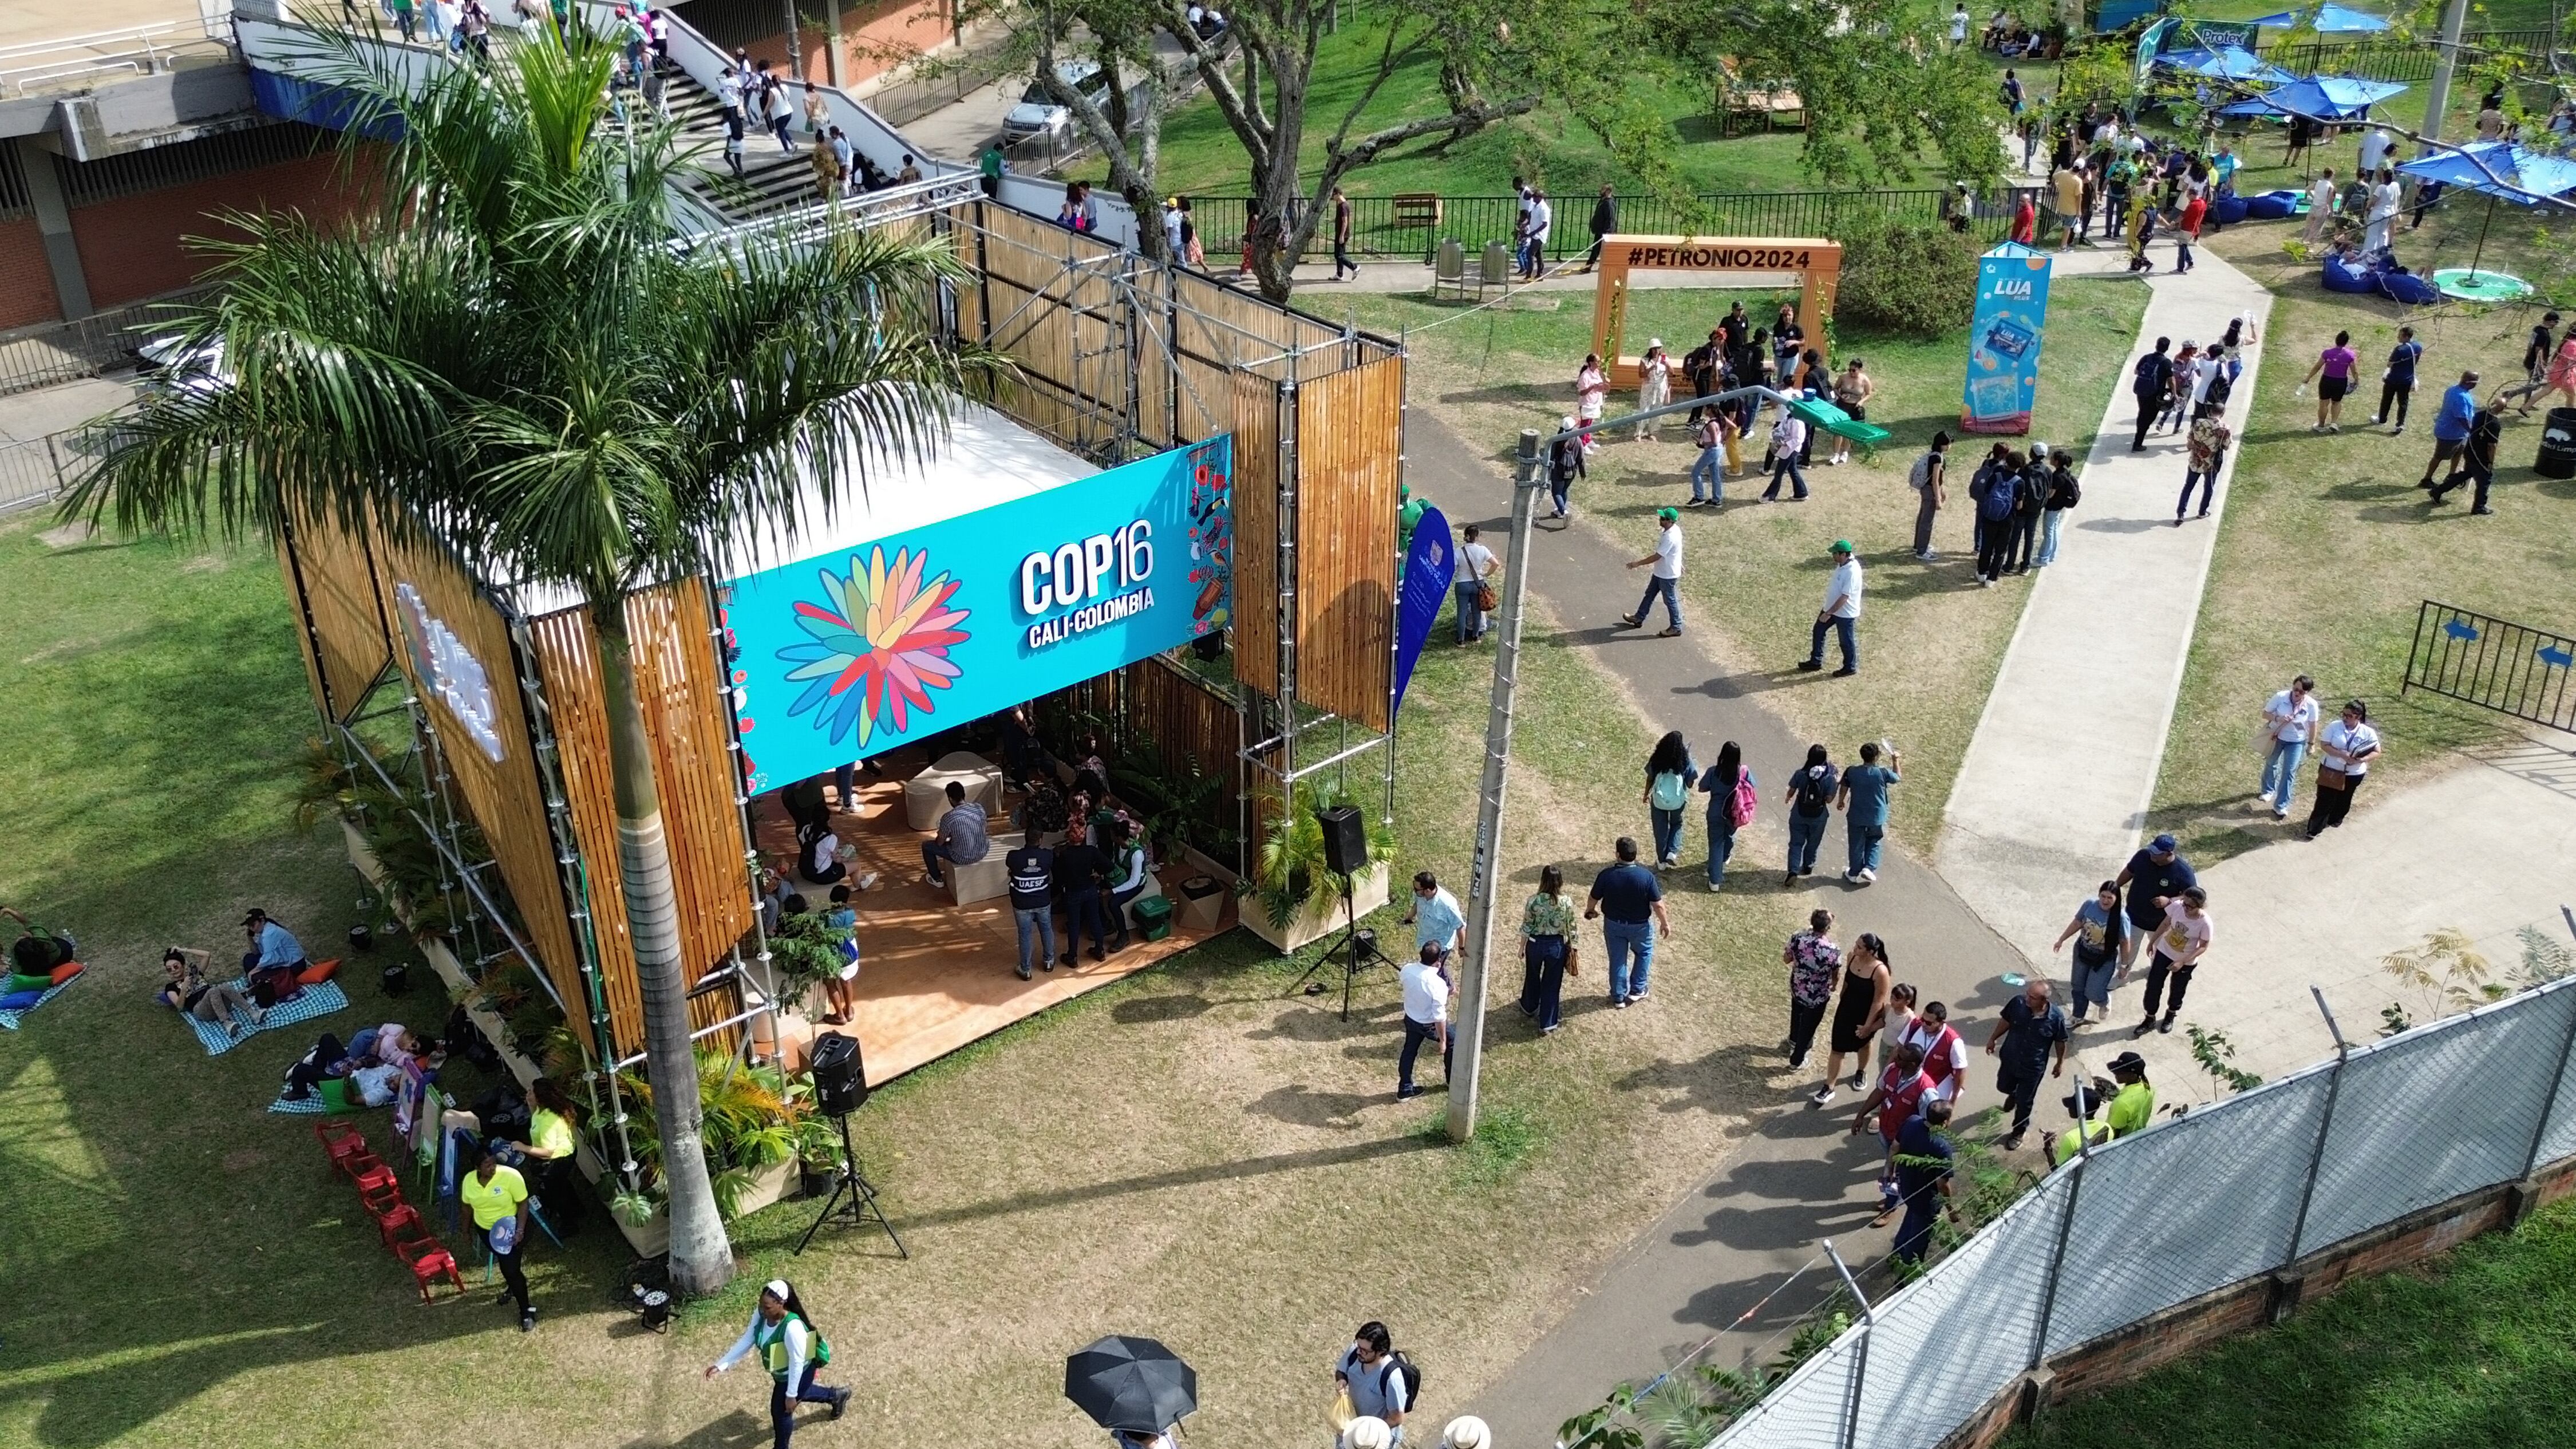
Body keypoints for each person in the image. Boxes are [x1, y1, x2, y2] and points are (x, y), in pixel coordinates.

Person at [708, 1280, 850, 1445]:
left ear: (781, 1304)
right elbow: (749, 1338)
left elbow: (797, 1363)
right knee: (800, 1394)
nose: (762, 1310)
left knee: (781, 1412)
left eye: (767, 1307)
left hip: (800, 1373)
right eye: (761, 1304)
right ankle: (837, 1396)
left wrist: (791, 1396)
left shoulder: (792, 1327)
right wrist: (722, 1364)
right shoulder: (762, 1313)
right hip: (784, 1374)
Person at [461, 1140, 536, 1332]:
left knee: (510, 1270)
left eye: (494, 1162)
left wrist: (520, 1230)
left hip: (512, 1230)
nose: (493, 1167)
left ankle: (527, 1311)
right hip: (487, 1232)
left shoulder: (510, 1177)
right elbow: (467, 1207)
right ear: (477, 1168)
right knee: (509, 1268)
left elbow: (523, 1203)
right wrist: (466, 1230)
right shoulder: (469, 1181)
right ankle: (514, 1287)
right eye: (487, 1165)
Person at [1984, 977, 2068, 1150]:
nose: (2027, 999)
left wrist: (2060, 1063)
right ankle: (2013, 1093)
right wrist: (1993, 1038)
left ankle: (2018, 1132)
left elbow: (2060, 1041)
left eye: (2033, 997)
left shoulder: (2055, 1018)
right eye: (2027, 995)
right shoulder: (2018, 1004)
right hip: (2010, 1059)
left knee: (2025, 1102)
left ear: (2045, 1000)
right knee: (2003, 1087)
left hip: (2033, 1067)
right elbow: (2005, 1021)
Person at [1851, 1038, 1931, 1218]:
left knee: (1896, 1173)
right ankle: (1893, 1198)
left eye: (1901, 1057)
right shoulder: (1893, 1069)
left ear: (1912, 1063)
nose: (1895, 1057)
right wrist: (1861, 1115)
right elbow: (1880, 1092)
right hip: (1887, 1132)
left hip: (1905, 1143)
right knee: (1892, 1170)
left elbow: (1929, 1124)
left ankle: (1891, 1207)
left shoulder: (1925, 1090)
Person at [1585, 838, 1668, 1008]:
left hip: (1614, 924)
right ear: (1635, 856)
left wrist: (1590, 911)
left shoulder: (1607, 875)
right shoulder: (1646, 876)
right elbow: (1658, 904)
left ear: (1617, 855)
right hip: (1640, 926)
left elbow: (1594, 897)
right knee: (1644, 953)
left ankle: (1618, 997)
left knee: (1617, 960)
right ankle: (1638, 989)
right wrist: (1665, 923)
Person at [1814, 931, 1891, 1103]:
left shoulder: (1880, 971)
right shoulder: (1851, 957)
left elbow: (1879, 1001)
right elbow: (1847, 983)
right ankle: (1829, 1087)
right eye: (1856, 944)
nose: (1854, 948)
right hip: (1846, 1009)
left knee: (1863, 1044)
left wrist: (1868, 1026)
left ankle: (1861, 1071)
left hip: (1865, 1014)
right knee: (1837, 1048)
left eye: (1859, 947)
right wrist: (1842, 998)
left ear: (1870, 951)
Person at [2132, 885, 2213, 1037]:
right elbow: (2165, 923)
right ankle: (2149, 1018)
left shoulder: (2205, 923)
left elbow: (2203, 946)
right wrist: (2152, 942)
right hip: (2165, 951)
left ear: (2200, 906)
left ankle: (2171, 1014)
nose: (2186, 908)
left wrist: (2182, 961)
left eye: (2190, 906)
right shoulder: (2177, 907)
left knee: (2178, 989)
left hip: (2185, 960)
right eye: (2185, 904)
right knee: (2154, 985)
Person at [2050, 1051, 2154, 1164]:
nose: (2115, 1074)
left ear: (2133, 1075)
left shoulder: (2121, 1103)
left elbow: (2113, 1133)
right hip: (2137, 1137)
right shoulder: (2149, 1089)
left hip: (2120, 1146)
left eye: (2120, 1072)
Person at [1888, 1097, 1956, 1264]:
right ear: (1945, 1122)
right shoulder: (1942, 1147)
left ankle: (1896, 1255)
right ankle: (1906, 1275)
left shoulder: (1912, 1122)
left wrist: (1890, 1171)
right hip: (1927, 1200)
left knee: (1911, 1218)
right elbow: (1942, 1185)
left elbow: (1895, 1147)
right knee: (1919, 1238)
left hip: (1908, 1188)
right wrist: (1951, 1209)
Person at [2115, 833, 2195, 972]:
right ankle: (2122, 976)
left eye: (2157, 853)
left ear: (2168, 854)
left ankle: (2154, 972)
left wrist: (2170, 901)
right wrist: (2115, 887)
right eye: (2152, 850)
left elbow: (2192, 896)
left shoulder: (2183, 872)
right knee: (2126, 950)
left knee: (2160, 953)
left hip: (2161, 923)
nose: (2152, 855)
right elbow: (2129, 871)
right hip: (2133, 917)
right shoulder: (2143, 856)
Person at [2304, 698, 2381, 839]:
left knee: (2345, 798)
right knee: (2324, 799)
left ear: (2358, 717)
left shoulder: (2367, 732)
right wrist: (2341, 754)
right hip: (2331, 770)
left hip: (2354, 773)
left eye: (2349, 716)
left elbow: (2377, 751)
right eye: (2344, 714)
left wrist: (2361, 760)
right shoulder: (2334, 726)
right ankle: (2314, 829)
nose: (2345, 718)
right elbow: (2324, 745)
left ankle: (2336, 818)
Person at [2053, 882, 2126, 1027]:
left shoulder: (2121, 917)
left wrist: (2124, 965)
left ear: (2117, 899)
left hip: (2104, 959)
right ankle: (2078, 1016)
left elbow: (2125, 942)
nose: (2105, 901)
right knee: (2078, 987)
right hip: (2083, 952)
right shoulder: (2089, 905)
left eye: (2110, 898)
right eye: (2103, 896)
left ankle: (2104, 1001)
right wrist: (2062, 939)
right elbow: (2077, 923)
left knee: (2093, 992)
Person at [156, 946, 264, 1037]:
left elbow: (207, 955)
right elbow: (179, 1007)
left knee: (224, 987)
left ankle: (253, 1013)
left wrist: (183, 950)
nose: (173, 970)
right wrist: (184, 988)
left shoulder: (196, 975)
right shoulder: (170, 987)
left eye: (175, 966)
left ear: (183, 965)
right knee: (213, 991)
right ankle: (227, 1023)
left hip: (220, 1004)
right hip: (202, 1010)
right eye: (169, 969)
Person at [1517, 864, 1575, 1035]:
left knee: (1532, 975)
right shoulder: (1566, 902)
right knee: (1552, 984)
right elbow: (1571, 927)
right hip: (1556, 947)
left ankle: (1529, 1005)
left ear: (1543, 880)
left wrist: (1521, 947)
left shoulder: (1533, 901)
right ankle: (1547, 1022)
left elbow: (1527, 925)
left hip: (1535, 944)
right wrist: (1574, 947)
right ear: (1560, 882)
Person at [1336, 1323, 1415, 1443]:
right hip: (1352, 1429)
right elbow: (1341, 1371)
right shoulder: (1355, 1352)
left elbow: (1397, 1418)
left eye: (1365, 1351)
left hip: (1375, 1438)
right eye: (1358, 1346)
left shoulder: (1392, 1378)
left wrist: (1368, 1432)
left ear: (1380, 1352)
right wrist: (1342, 1380)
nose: (1359, 1352)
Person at [2258, 674, 2322, 820]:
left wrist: (2311, 745)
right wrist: (2277, 718)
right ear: (2292, 686)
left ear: (2307, 693)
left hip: (2296, 742)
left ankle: (2281, 805)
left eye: (2302, 692)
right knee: (2271, 763)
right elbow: (2265, 714)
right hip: (2277, 737)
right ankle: (2268, 790)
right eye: (2296, 689)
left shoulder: (2311, 705)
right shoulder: (2281, 697)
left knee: (2289, 772)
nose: (2298, 693)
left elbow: (2313, 726)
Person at [1782, 909, 1839, 1069]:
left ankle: (1794, 1040)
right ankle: (1797, 1061)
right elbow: (1836, 972)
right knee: (1809, 1027)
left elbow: (1786, 959)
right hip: (1818, 995)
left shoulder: (1798, 939)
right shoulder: (1832, 950)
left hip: (1798, 987)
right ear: (1827, 928)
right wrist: (1834, 985)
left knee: (1797, 1013)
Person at [1836, 740, 1900, 884]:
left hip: (1856, 815)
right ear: (1876, 757)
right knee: (1874, 840)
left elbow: (1844, 787)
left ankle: (1853, 873)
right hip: (1876, 816)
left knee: (1856, 844)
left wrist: (1841, 801)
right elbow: (1897, 778)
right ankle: (1869, 868)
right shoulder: (1882, 773)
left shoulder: (1852, 771)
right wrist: (1895, 761)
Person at [1396, 942, 1453, 1100]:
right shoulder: (1438, 985)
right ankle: (1452, 1081)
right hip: (1428, 1024)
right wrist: (1443, 1041)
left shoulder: (1407, 969)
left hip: (1411, 1018)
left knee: (1409, 1051)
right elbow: (1439, 1017)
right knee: (1453, 1042)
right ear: (1438, 961)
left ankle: (1405, 1089)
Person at [1616, 508, 1685, 638]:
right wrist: (1679, 563)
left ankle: (1676, 627)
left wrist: (1638, 563)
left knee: (1670, 600)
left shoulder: (1670, 536)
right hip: (1661, 572)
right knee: (1649, 594)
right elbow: (1676, 551)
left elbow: (1657, 556)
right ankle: (1639, 617)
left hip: (1667, 575)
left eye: (1663, 519)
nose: (1660, 520)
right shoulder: (1673, 530)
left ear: (1670, 521)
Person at [1799, 540, 1862, 676]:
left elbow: (1845, 597)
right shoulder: (1843, 564)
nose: (1833, 556)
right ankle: (1816, 661)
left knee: (1846, 641)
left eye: (1835, 553)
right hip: (1832, 609)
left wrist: (1829, 613)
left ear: (1844, 554)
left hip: (1844, 613)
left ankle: (1850, 667)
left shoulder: (1852, 571)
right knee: (1818, 630)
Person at [1779, 742, 1838, 883]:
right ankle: (1808, 865)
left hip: (1799, 813)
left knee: (1796, 843)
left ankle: (1793, 871)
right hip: (1819, 816)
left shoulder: (1801, 774)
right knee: (1813, 842)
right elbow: (1829, 800)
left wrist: (1788, 797)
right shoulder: (1829, 778)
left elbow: (1792, 790)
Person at [1640, 731, 1700, 869]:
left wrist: (1646, 794)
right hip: (1677, 802)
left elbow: (1650, 777)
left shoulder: (1657, 758)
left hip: (1659, 801)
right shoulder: (1685, 760)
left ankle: (1661, 862)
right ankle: (1672, 852)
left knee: (1660, 829)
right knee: (1677, 824)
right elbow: (1690, 784)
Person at [1698, 740, 1752, 892]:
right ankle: (1725, 856)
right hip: (1735, 813)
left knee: (1716, 844)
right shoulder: (1744, 772)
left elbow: (1702, 788)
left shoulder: (1714, 771)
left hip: (1716, 812)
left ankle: (1715, 880)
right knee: (1729, 836)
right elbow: (1752, 785)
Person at [2418, 370, 2483, 495]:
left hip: (2460, 434)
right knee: (2439, 456)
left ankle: (2451, 476)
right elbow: (2462, 418)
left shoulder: (2454, 389)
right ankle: (2426, 479)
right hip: (2450, 434)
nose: (2476, 385)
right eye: (2475, 383)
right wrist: (2473, 431)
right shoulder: (2461, 397)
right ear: (2469, 383)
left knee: (2458, 454)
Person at [916, 780, 990, 887]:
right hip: (983, 851)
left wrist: (942, 833)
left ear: (950, 799)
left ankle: (937, 879)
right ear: (964, 795)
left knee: (927, 846)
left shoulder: (948, 817)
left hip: (963, 857)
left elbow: (940, 843)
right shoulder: (979, 808)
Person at [2440, 396, 2505, 515]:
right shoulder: (2495, 424)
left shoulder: (2480, 415)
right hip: (2481, 457)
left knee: (2467, 474)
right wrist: (2490, 462)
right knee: (2484, 480)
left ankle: (2437, 491)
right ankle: (2479, 507)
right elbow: (2492, 446)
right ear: (2501, 410)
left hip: (2470, 450)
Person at [1897, 998, 1968, 1105]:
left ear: (1941, 1023)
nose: (1924, 1024)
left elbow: (1960, 1071)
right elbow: (1899, 1047)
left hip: (1935, 1088)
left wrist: (1952, 1102)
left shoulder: (1953, 1042)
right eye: (1923, 1019)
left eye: (1929, 1023)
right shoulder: (1915, 1025)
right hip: (1909, 1080)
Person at [1004, 835, 1055, 980]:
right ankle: (1049, 962)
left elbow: (1011, 867)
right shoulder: (1047, 855)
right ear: (1040, 840)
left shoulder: (1014, 856)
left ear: (1026, 839)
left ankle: (1025, 969)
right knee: (1046, 929)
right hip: (1043, 902)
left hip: (1022, 903)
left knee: (1025, 934)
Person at [239, 908, 308, 1004]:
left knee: (255, 975)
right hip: (282, 961)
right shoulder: (264, 930)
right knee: (249, 959)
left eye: (253, 925)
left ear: (262, 920)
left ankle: (259, 987)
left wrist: (252, 973)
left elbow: (268, 959)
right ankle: (257, 986)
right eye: (249, 926)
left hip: (294, 966)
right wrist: (250, 938)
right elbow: (256, 952)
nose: (251, 928)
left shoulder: (270, 934)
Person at [2498, 311, 2561, 414]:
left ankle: (2527, 403)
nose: (2556, 325)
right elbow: (2538, 350)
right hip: (2535, 363)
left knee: (2531, 384)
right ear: (2550, 321)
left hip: (2530, 359)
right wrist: (2541, 364)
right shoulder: (2544, 334)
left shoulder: (2537, 329)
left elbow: (2531, 346)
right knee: (2535, 385)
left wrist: (2528, 356)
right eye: (2556, 322)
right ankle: (2510, 394)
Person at [1402, 870, 1465, 968]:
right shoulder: (1420, 895)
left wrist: (1461, 948)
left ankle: (1446, 983)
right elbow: (1417, 904)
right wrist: (1409, 917)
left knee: (1435, 971)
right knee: (1426, 966)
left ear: (1427, 890)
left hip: (1440, 946)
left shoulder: (1447, 904)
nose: (1414, 891)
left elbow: (1460, 927)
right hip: (1424, 939)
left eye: (1416, 889)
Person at [1104, 820, 1151, 950]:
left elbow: (1134, 882)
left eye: (1112, 835)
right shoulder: (1118, 846)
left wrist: (1112, 891)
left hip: (1135, 885)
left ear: (1119, 837)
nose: (1110, 837)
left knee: (1113, 903)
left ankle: (1124, 935)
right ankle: (1105, 925)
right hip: (1122, 878)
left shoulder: (1136, 854)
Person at [2178, 409, 2230, 524]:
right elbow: (2226, 446)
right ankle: (2202, 512)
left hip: (2195, 460)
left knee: (2188, 487)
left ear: (2210, 412)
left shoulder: (2198, 422)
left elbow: (2190, 441)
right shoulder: (2224, 428)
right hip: (2211, 463)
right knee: (2208, 488)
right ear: (2223, 413)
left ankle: (2180, 513)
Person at [1451, 523, 1498, 645]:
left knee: (1462, 612)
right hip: (1478, 584)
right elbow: (1495, 564)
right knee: (1477, 612)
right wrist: (1486, 574)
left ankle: (1460, 640)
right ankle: (1475, 636)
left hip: (1462, 584)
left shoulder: (1458, 551)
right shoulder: (1483, 550)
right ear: (1476, 537)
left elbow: (1453, 568)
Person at [2302, 330, 2357, 432]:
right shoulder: (2350, 355)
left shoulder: (2328, 353)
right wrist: (2356, 381)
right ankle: (2334, 423)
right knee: (2336, 403)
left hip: (2327, 380)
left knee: (2324, 403)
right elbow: (2354, 371)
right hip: (2341, 382)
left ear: (2336, 340)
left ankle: (2321, 425)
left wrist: (2308, 378)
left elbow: (2317, 367)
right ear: (2346, 342)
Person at [2035, 449, 2079, 566]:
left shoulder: (2057, 476)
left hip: (2053, 507)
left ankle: (2043, 558)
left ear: (2057, 461)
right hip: (2059, 507)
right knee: (2054, 530)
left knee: (2048, 532)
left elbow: (2051, 494)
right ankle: (2051, 555)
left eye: (2052, 457)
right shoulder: (2065, 473)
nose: (2050, 459)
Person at [2376, 325, 2423, 433]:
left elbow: (2390, 364)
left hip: (2394, 379)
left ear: (2405, 336)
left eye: (2400, 335)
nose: (2398, 337)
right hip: (2407, 380)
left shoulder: (2400, 349)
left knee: (2387, 400)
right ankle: (2400, 424)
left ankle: (2382, 419)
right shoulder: (2418, 346)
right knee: (2403, 402)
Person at [2129, 337, 2174, 452]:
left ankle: (2139, 433)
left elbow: (2136, 371)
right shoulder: (2166, 363)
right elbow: (2171, 380)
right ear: (2167, 348)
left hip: (2141, 390)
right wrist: (2174, 394)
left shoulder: (2146, 358)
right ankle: (2138, 443)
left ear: (2156, 345)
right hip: (2154, 394)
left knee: (2142, 412)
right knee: (2150, 416)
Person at [1911, 432, 1949, 561]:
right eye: (1948, 444)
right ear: (1943, 445)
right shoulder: (1938, 459)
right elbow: (1935, 480)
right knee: (1927, 521)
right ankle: (1922, 551)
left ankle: (1918, 545)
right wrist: (1938, 499)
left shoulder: (1932, 454)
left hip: (1925, 490)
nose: (1949, 446)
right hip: (1930, 491)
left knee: (1922, 517)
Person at [1760, 410, 1809, 501]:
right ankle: (1801, 493)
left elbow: (1798, 440)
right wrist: (1776, 435)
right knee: (1793, 470)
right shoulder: (1788, 418)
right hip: (1786, 449)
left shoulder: (1797, 422)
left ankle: (1770, 496)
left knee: (1779, 473)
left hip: (1792, 450)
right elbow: (1781, 428)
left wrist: (1785, 443)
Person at [1685, 408, 1728, 507]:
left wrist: (1702, 443)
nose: (1704, 410)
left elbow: (1714, 443)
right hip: (1717, 451)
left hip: (1712, 451)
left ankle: (1699, 497)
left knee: (1695, 472)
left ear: (1710, 410)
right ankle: (1717, 500)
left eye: (1706, 408)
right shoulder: (1717, 421)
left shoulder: (1711, 425)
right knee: (1715, 475)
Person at [1544, 418, 1585, 520]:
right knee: (1564, 490)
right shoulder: (1577, 440)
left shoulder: (1557, 440)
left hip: (1559, 471)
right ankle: (1560, 510)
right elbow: (1581, 458)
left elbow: (1551, 456)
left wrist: (1547, 471)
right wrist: (1582, 472)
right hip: (1572, 471)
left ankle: (1563, 512)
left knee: (1557, 493)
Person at [1634, 341, 1672, 441]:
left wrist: (1667, 365)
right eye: (1654, 349)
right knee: (1644, 410)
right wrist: (1650, 369)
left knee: (1657, 410)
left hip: (1660, 389)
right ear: (1651, 350)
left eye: (1658, 348)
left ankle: (1652, 432)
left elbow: (1672, 373)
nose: (1656, 351)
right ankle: (1639, 433)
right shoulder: (1645, 360)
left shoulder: (1664, 359)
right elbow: (1641, 375)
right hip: (1648, 389)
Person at [1573, 354, 1607, 453]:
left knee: (1590, 423)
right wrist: (1592, 387)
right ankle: (1582, 444)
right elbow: (1582, 392)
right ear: (1591, 363)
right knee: (1585, 425)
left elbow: (1599, 385)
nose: (1599, 363)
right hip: (1587, 403)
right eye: (1597, 361)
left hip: (1595, 401)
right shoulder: (1585, 376)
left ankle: (1588, 440)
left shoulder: (1596, 373)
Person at [1585, 184, 1617, 271]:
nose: (1601, 191)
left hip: (1605, 231)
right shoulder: (1603, 201)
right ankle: (1590, 266)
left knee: (1600, 249)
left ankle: (1590, 266)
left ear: (1608, 191)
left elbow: (1610, 218)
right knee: (1597, 249)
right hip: (1600, 230)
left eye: (1603, 190)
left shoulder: (1609, 203)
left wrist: (1607, 232)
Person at [1330, 185, 1356, 281]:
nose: (1332, 198)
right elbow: (1341, 220)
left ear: (1337, 194)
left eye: (1333, 195)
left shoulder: (1344, 206)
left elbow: (1345, 222)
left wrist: (1341, 236)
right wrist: (1333, 221)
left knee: (1339, 255)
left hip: (1343, 235)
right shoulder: (1340, 205)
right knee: (1339, 255)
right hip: (1340, 233)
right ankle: (1340, 274)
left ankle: (1354, 267)